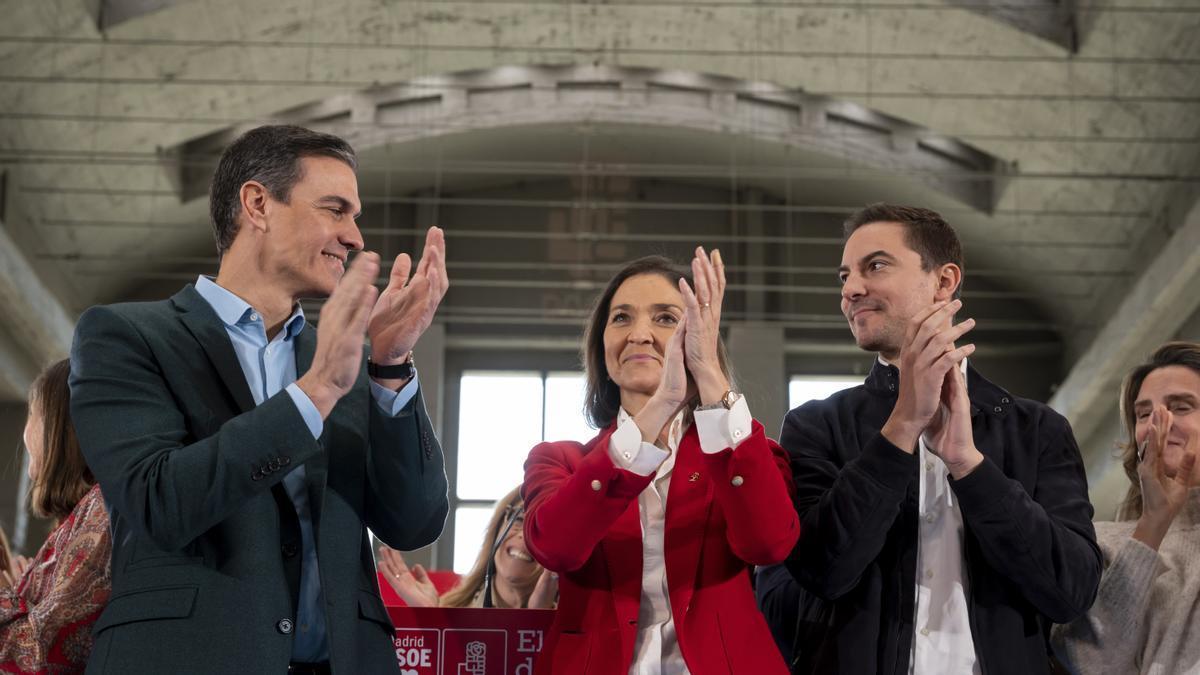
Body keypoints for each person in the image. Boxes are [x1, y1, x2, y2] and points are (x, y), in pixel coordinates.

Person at [68, 124, 450, 674]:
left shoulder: (336, 357)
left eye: (355, 216)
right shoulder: (126, 336)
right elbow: (159, 503)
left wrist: (389, 365)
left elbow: (414, 523)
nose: (355, 237)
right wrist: (315, 392)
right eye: (335, 209)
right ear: (257, 204)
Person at [774, 203, 1101, 674]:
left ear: (944, 281)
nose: (850, 289)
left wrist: (971, 466)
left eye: (876, 266)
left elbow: (1070, 592)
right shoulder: (815, 425)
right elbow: (822, 571)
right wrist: (901, 426)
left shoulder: (1037, 430)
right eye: (844, 275)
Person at [522, 251, 800, 675]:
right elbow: (555, 548)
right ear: (602, 345)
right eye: (621, 318)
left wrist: (708, 374)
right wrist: (662, 405)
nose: (639, 334)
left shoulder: (743, 453)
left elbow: (768, 543)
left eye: (666, 318)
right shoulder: (559, 461)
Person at [1051, 341, 1200, 674]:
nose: (1159, 423)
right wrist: (1153, 524)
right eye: (1144, 414)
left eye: (1181, 406)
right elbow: (1091, 665)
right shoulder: (1101, 546)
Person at [1, 359, 112, 673]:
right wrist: (18, 591)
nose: (24, 434)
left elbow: (38, 657)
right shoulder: (81, 516)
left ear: (57, 424)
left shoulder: (103, 506)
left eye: (32, 413)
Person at [378, 487, 557, 608]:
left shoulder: (574, 627)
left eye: (540, 528)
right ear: (497, 529)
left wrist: (539, 617)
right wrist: (433, 618)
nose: (525, 535)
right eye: (519, 520)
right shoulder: (447, 611)